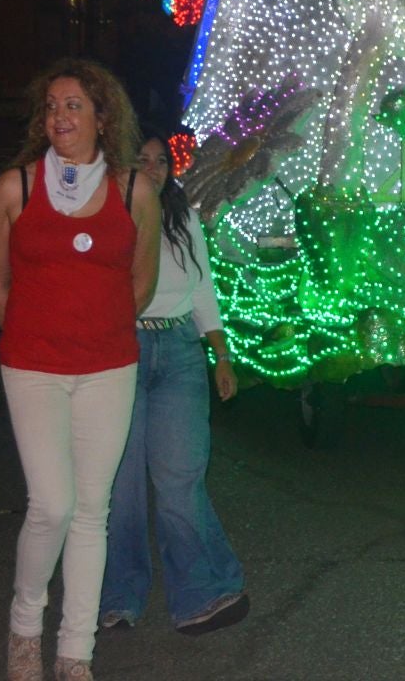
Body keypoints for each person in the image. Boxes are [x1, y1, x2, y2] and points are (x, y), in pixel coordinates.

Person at [0, 59, 160, 681]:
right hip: (32, 367)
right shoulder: (16, 187)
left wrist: (97, 332)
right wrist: (35, 335)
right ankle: (25, 628)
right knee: (52, 505)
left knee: (92, 510)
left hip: (109, 367)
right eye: (52, 106)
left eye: (74, 105)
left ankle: (75, 653)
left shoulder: (135, 190)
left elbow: (141, 283)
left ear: (103, 117)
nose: (60, 116)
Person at [99, 131, 248, 637]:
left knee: (180, 480)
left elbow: (202, 284)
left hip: (182, 351)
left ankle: (201, 593)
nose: (154, 168)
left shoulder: (182, 217)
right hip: (123, 351)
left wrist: (221, 353)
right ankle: (119, 595)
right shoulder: (108, 215)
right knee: (121, 486)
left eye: (161, 160)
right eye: (142, 159)